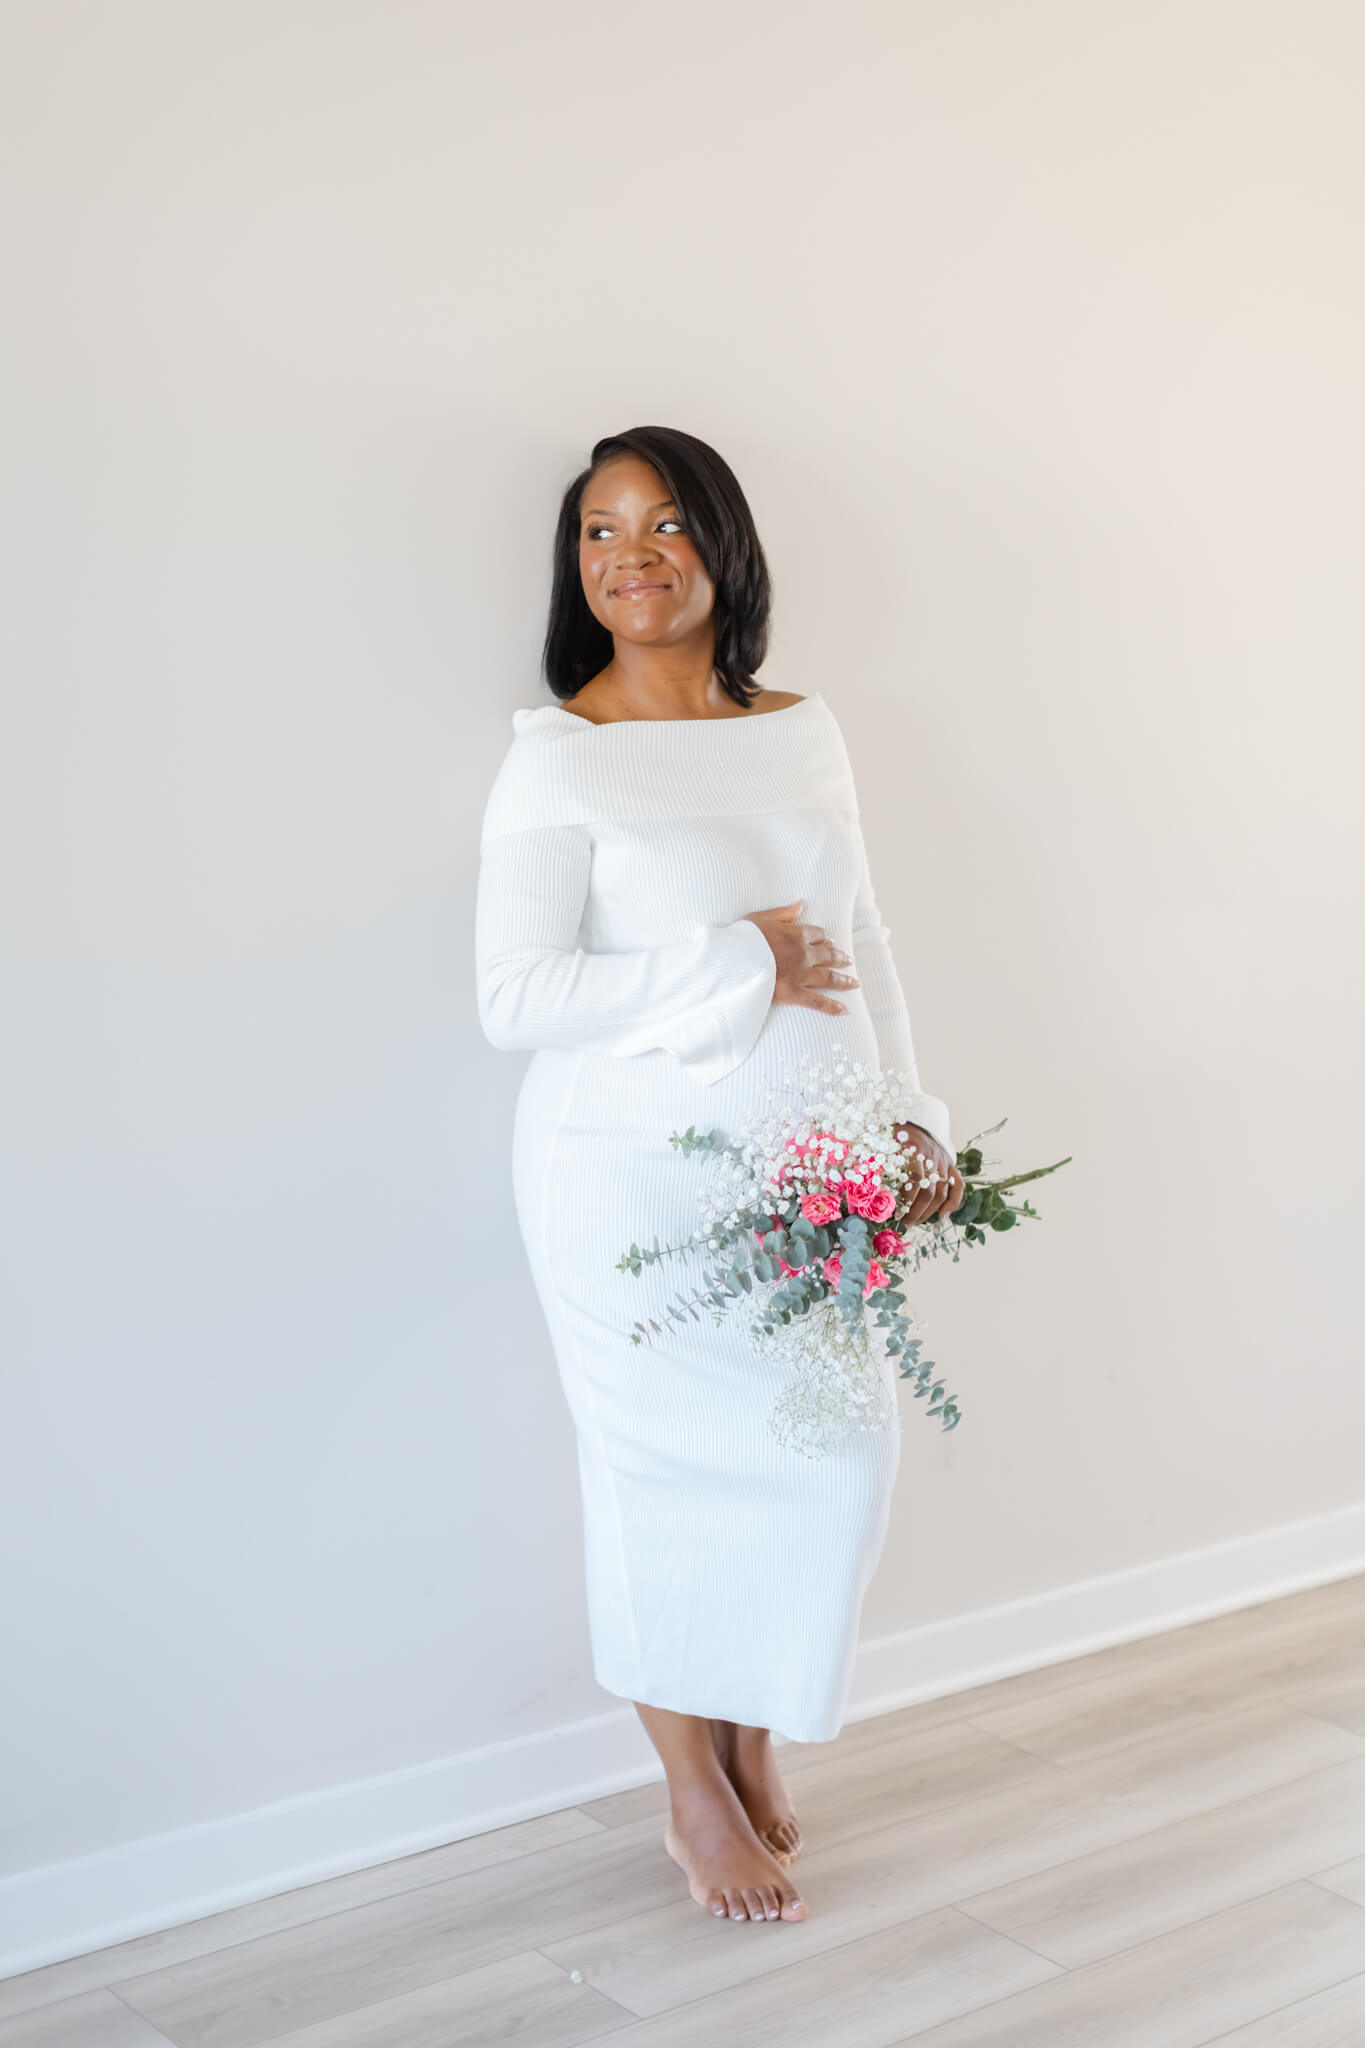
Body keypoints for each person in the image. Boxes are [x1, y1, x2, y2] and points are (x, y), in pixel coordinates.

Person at [474, 426, 963, 1926]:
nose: (632, 556)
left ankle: (746, 1727)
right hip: (625, 1192)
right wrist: (733, 954)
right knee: (663, 1480)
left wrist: (912, 1117)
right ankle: (696, 1788)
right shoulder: (560, 762)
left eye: (667, 523)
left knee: (829, 1467)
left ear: (724, 548)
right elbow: (515, 1001)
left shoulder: (802, 728)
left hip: (811, 1173)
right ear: (577, 569)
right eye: (600, 532)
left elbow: (861, 934)